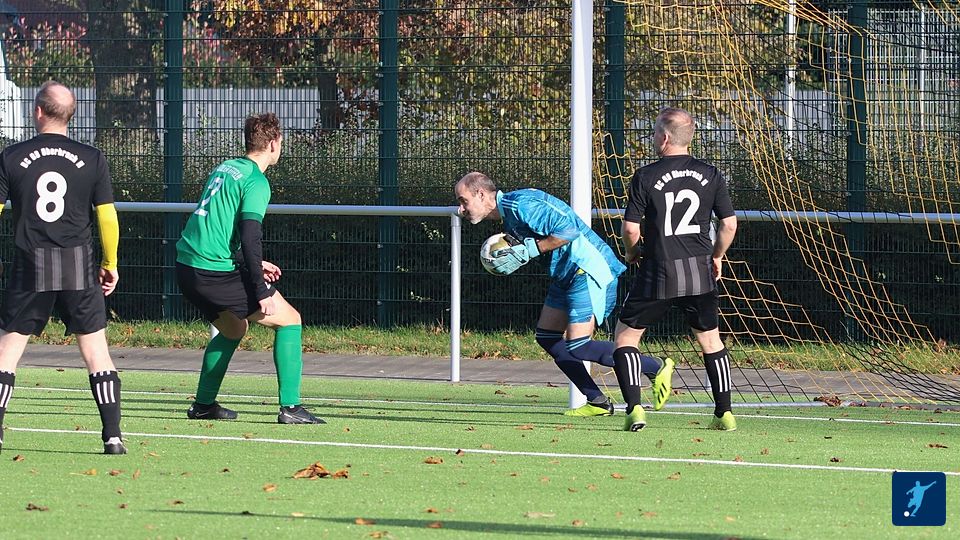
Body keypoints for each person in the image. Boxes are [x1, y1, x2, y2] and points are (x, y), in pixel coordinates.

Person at [455, 172, 668, 416]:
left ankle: (654, 366)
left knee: (578, 346)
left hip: (586, 269)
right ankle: (597, 400)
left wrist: (532, 250)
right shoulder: (511, 213)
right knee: (547, 337)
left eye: (463, 200)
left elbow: (568, 230)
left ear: (481, 194)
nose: (461, 209)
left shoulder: (520, 205)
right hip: (566, 274)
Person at [0, 81, 125, 454]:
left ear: (38, 111)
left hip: (30, 263)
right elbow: (107, 217)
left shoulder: (10, 157)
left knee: (7, 351)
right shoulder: (92, 158)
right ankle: (113, 436)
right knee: (96, 352)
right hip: (77, 265)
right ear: (71, 115)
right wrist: (110, 263)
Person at [176, 113, 322, 425]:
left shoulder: (226, 168)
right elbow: (250, 235)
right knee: (290, 321)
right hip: (213, 270)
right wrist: (260, 290)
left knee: (234, 329)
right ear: (274, 143)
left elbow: (217, 230)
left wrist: (251, 263)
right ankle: (291, 408)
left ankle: (203, 406)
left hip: (187, 267)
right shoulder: (257, 181)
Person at [613, 107, 738, 432]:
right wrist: (717, 256)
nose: (653, 137)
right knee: (711, 341)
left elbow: (630, 228)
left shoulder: (645, 175)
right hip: (699, 271)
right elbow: (729, 224)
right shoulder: (711, 173)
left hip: (658, 271)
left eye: (655, 131)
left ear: (665, 137)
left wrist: (632, 252)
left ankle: (634, 410)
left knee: (625, 339)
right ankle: (724, 414)